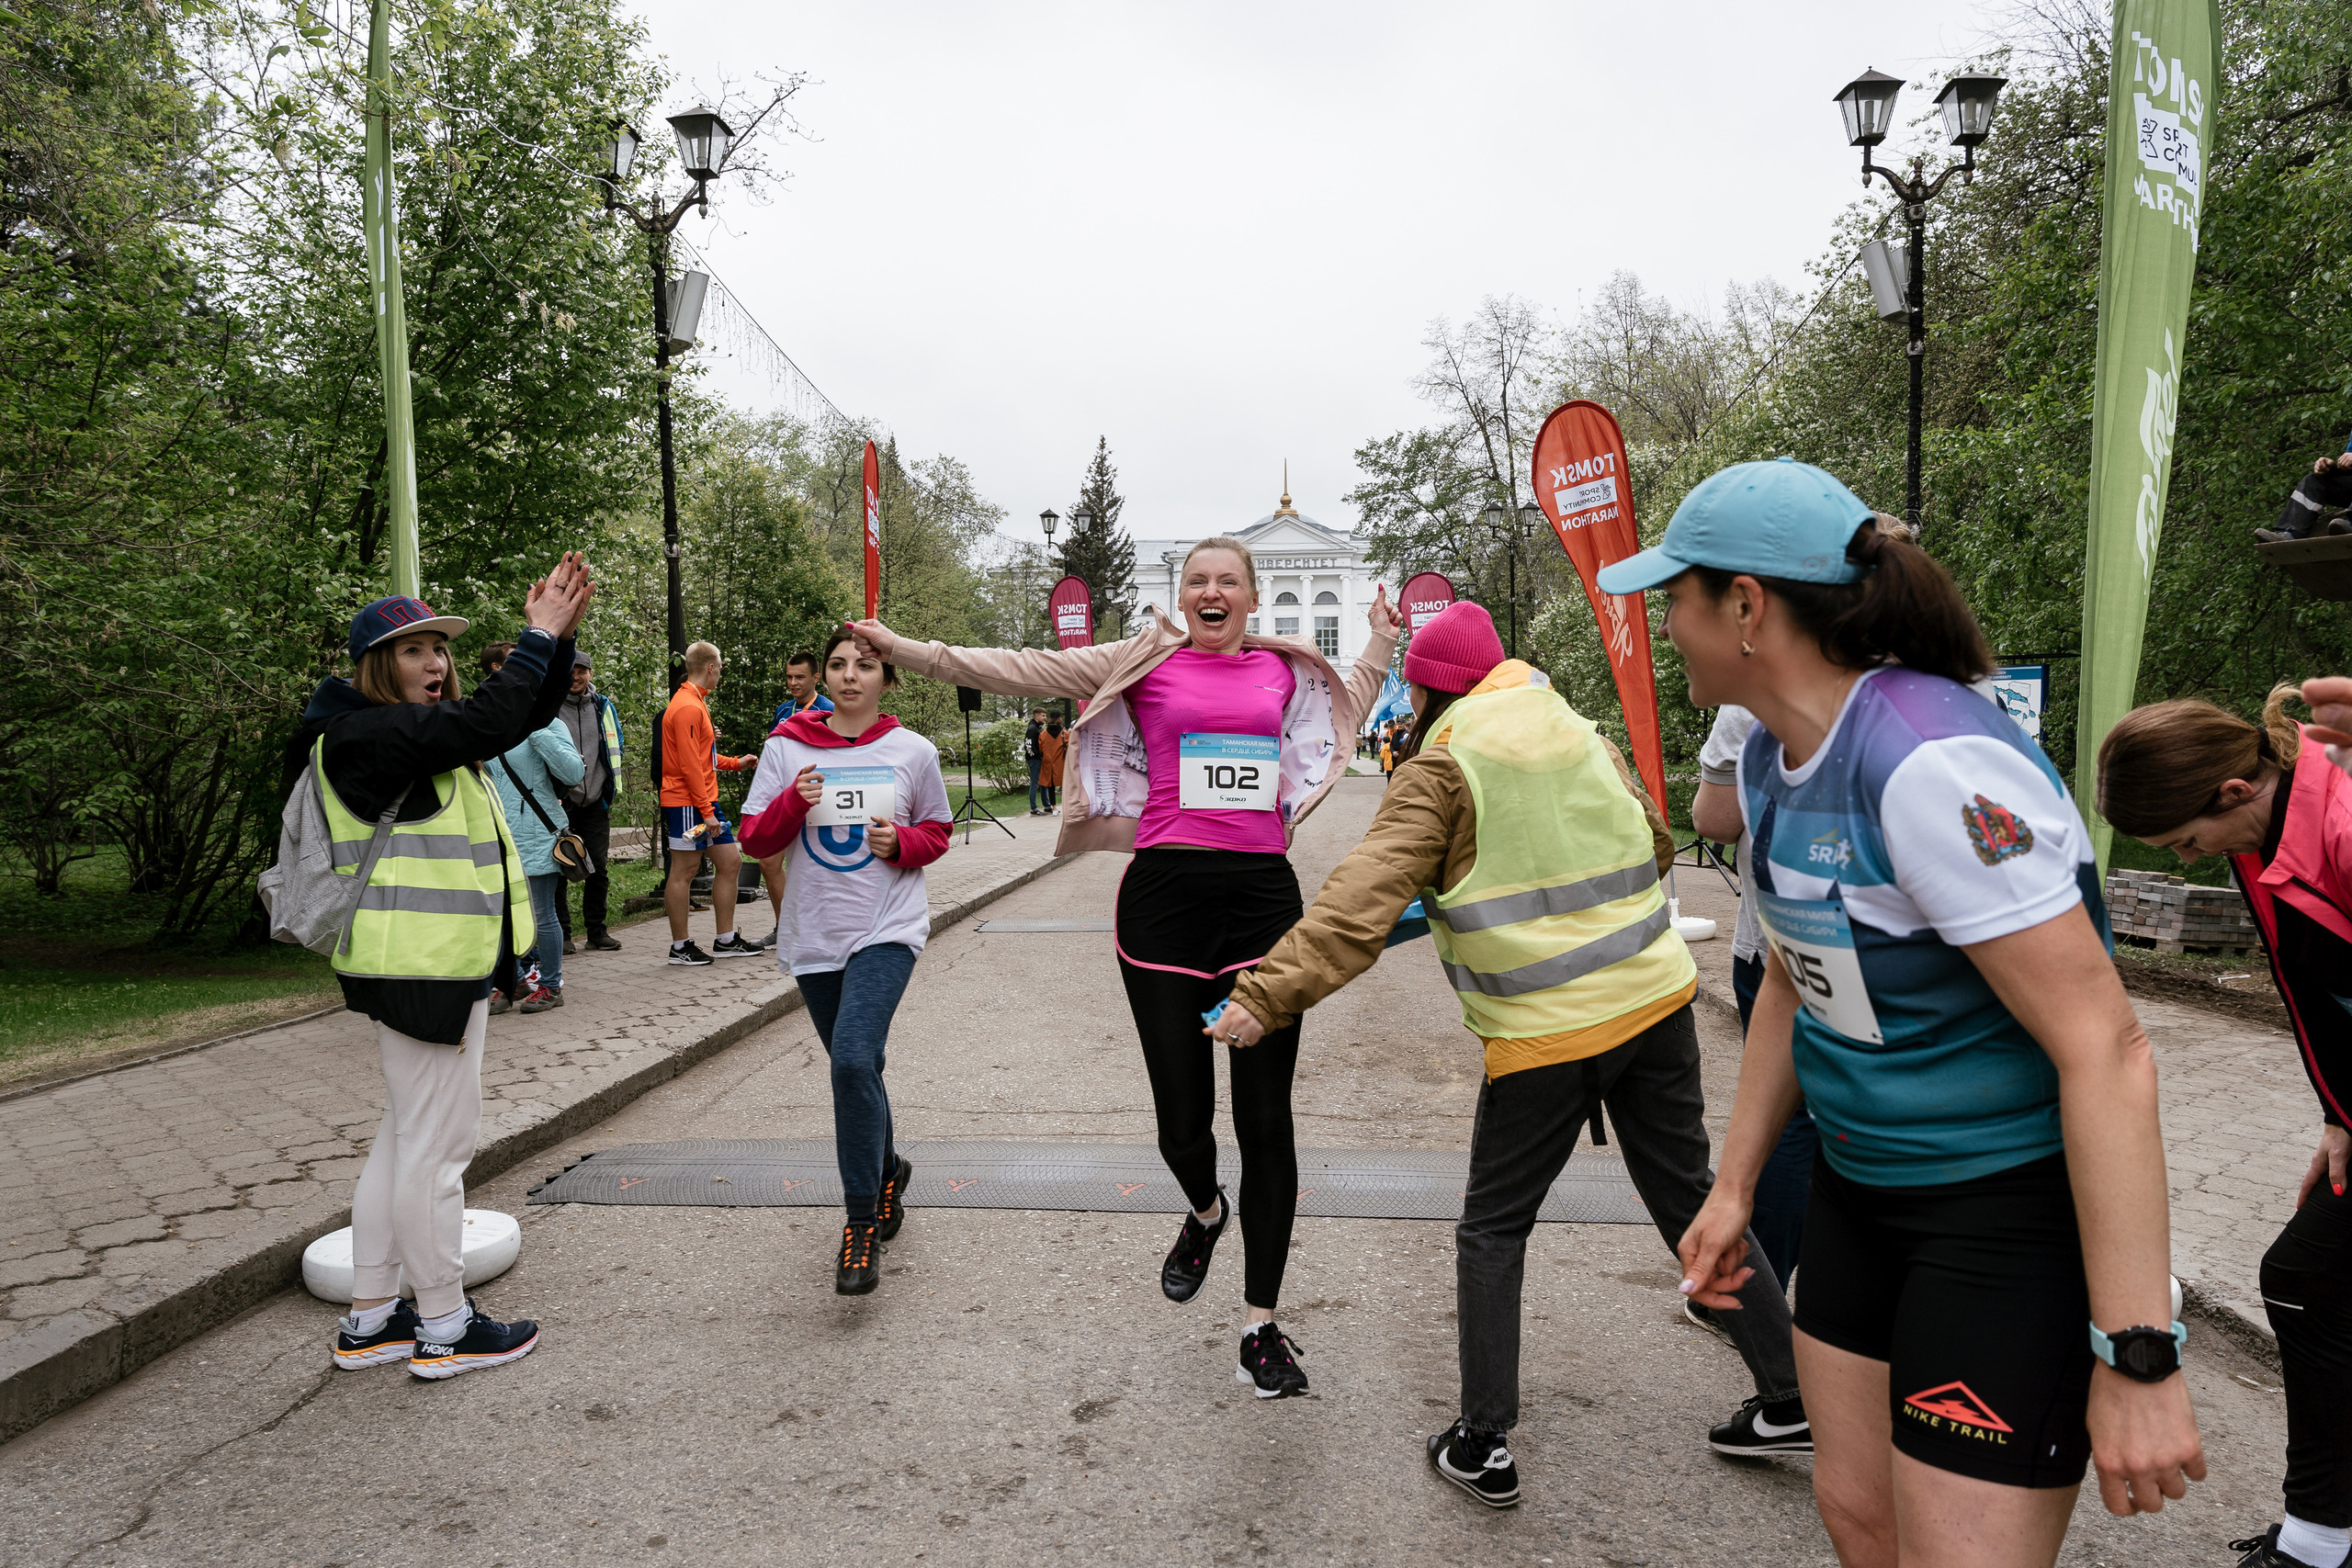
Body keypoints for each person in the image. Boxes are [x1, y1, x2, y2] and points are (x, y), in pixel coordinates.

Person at [1615, 459, 2202, 1564]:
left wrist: (2139, 1354)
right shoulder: (1772, 760)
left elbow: (2107, 1047)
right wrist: (1734, 1186)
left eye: (1673, 600)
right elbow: (1793, 976)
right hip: (1859, 1193)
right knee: (1861, 1517)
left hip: (1997, 1220)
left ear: (1746, 607)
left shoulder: (1931, 762)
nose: (1666, 630)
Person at [1210, 600, 1806, 1506]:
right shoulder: (1578, 730)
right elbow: (1650, 845)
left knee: (1493, 1227)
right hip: (1654, 1005)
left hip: (1545, 1035)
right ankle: (1789, 1397)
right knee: (1690, 1196)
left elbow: (1358, 899)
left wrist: (1263, 997)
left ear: (1427, 687)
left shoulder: (1443, 766)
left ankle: (1482, 1437)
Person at [846, 540, 1396, 1397]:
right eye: (1197, 581)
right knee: (1182, 1124)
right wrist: (907, 649)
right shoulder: (1144, 659)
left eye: (1227, 581)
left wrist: (1380, 642)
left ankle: (1262, 1323)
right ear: (1183, 597)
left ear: (1252, 598)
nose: (1212, 592)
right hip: (1163, 905)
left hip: (1261, 904)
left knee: (1267, 1121)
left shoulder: (1289, 672)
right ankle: (1206, 1211)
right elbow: (1027, 668)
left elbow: (1347, 702)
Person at [289, 557, 591, 1380]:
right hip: (421, 972)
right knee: (435, 1149)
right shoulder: (365, 734)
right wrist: (536, 637)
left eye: (441, 650)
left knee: (402, 1141)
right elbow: (486, 721)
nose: (436, 663)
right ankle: (445, 1324)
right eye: (416, 649)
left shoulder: (389, 732)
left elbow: (510, 714)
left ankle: (372, 1317)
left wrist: (554, 643)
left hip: (417, 966)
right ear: (377, 664)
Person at [2098, 687, 2352, 1568]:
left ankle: (2323, 1543)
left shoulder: (2343, 825)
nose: (2188, 858)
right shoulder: (2263, 837)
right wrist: (2337, 1116)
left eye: (2182, 841)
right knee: (2311, 1282)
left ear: (2234, 791)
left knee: (2303, 1277)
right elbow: (2313, 993)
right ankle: (2326, 1533)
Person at [739, 629, 953, 1293]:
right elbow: (754, 839)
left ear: (888, 677)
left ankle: (860, 1222)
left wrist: (903, 841)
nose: (850, 675)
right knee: (862, 1068)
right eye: (838, 664)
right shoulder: (786, 746)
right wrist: (791, 801)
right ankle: (889, 1168)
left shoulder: (913, 750)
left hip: (887, 927)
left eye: (865, 665)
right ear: (824, 676)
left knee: (853, 1059)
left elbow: (938, 831)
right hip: (815, 933)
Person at [660, 640, 761, 965]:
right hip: (689, 805)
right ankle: (680, 947)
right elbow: (689, 767)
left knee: (730, 862)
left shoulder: (695, 701)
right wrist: (707, 813)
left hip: (702, 802)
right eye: (721, 669)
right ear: (711, 668)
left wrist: (735, 763)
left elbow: (702, 758)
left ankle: (726, 939)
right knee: (684, 871)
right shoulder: (688, 706)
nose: (721, 674)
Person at [490, 714, 583, 1013]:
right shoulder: (492, 722)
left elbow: (573, 773)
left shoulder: (548, 724)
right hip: (500, 835)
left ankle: (551, 987)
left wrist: (536, 730)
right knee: (502, 914)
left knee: (541, 914)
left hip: (537, 835)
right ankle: (512, 982)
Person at [555, 651, 624, 955]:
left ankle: (596, 931)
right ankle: (563, 934)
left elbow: (614, 746)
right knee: (559, 867)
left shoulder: (602, 706)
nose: (576, 677)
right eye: (571, 671)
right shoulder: (551, 706)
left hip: (596, 800)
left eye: (581, 671)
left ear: (590, 674)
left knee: (598, 868)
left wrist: (609, 792)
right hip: (560, 801)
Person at [772, 649, 837, 727]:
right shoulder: (782, 711)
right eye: (789, 677)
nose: (793, 683)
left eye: (799, 677)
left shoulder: (829, 710)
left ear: (816, 678)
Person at [1037, 712, 1068, 810]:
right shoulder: (1064, 733)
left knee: (1050, 785)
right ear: (1060, 719)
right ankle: (1066, 806)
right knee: (1066, 783)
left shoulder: (1043, 734)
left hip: (1047, 763)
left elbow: (1040, 749)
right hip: (1060, 763)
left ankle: (1054, 807)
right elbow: (1068, 747)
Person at [1023, 707, 1049, 815]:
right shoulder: (1032, 728)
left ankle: (1047, 805)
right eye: (1043, 716)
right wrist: (1037, 756)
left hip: (1040, 759)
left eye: (1045, 715)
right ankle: (1033, 808)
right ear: (1036, 716)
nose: (1045, 718)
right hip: (1034, 760)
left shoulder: (1039, 728)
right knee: (1035, 783)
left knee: (1044, 783)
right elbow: (1029, 746)